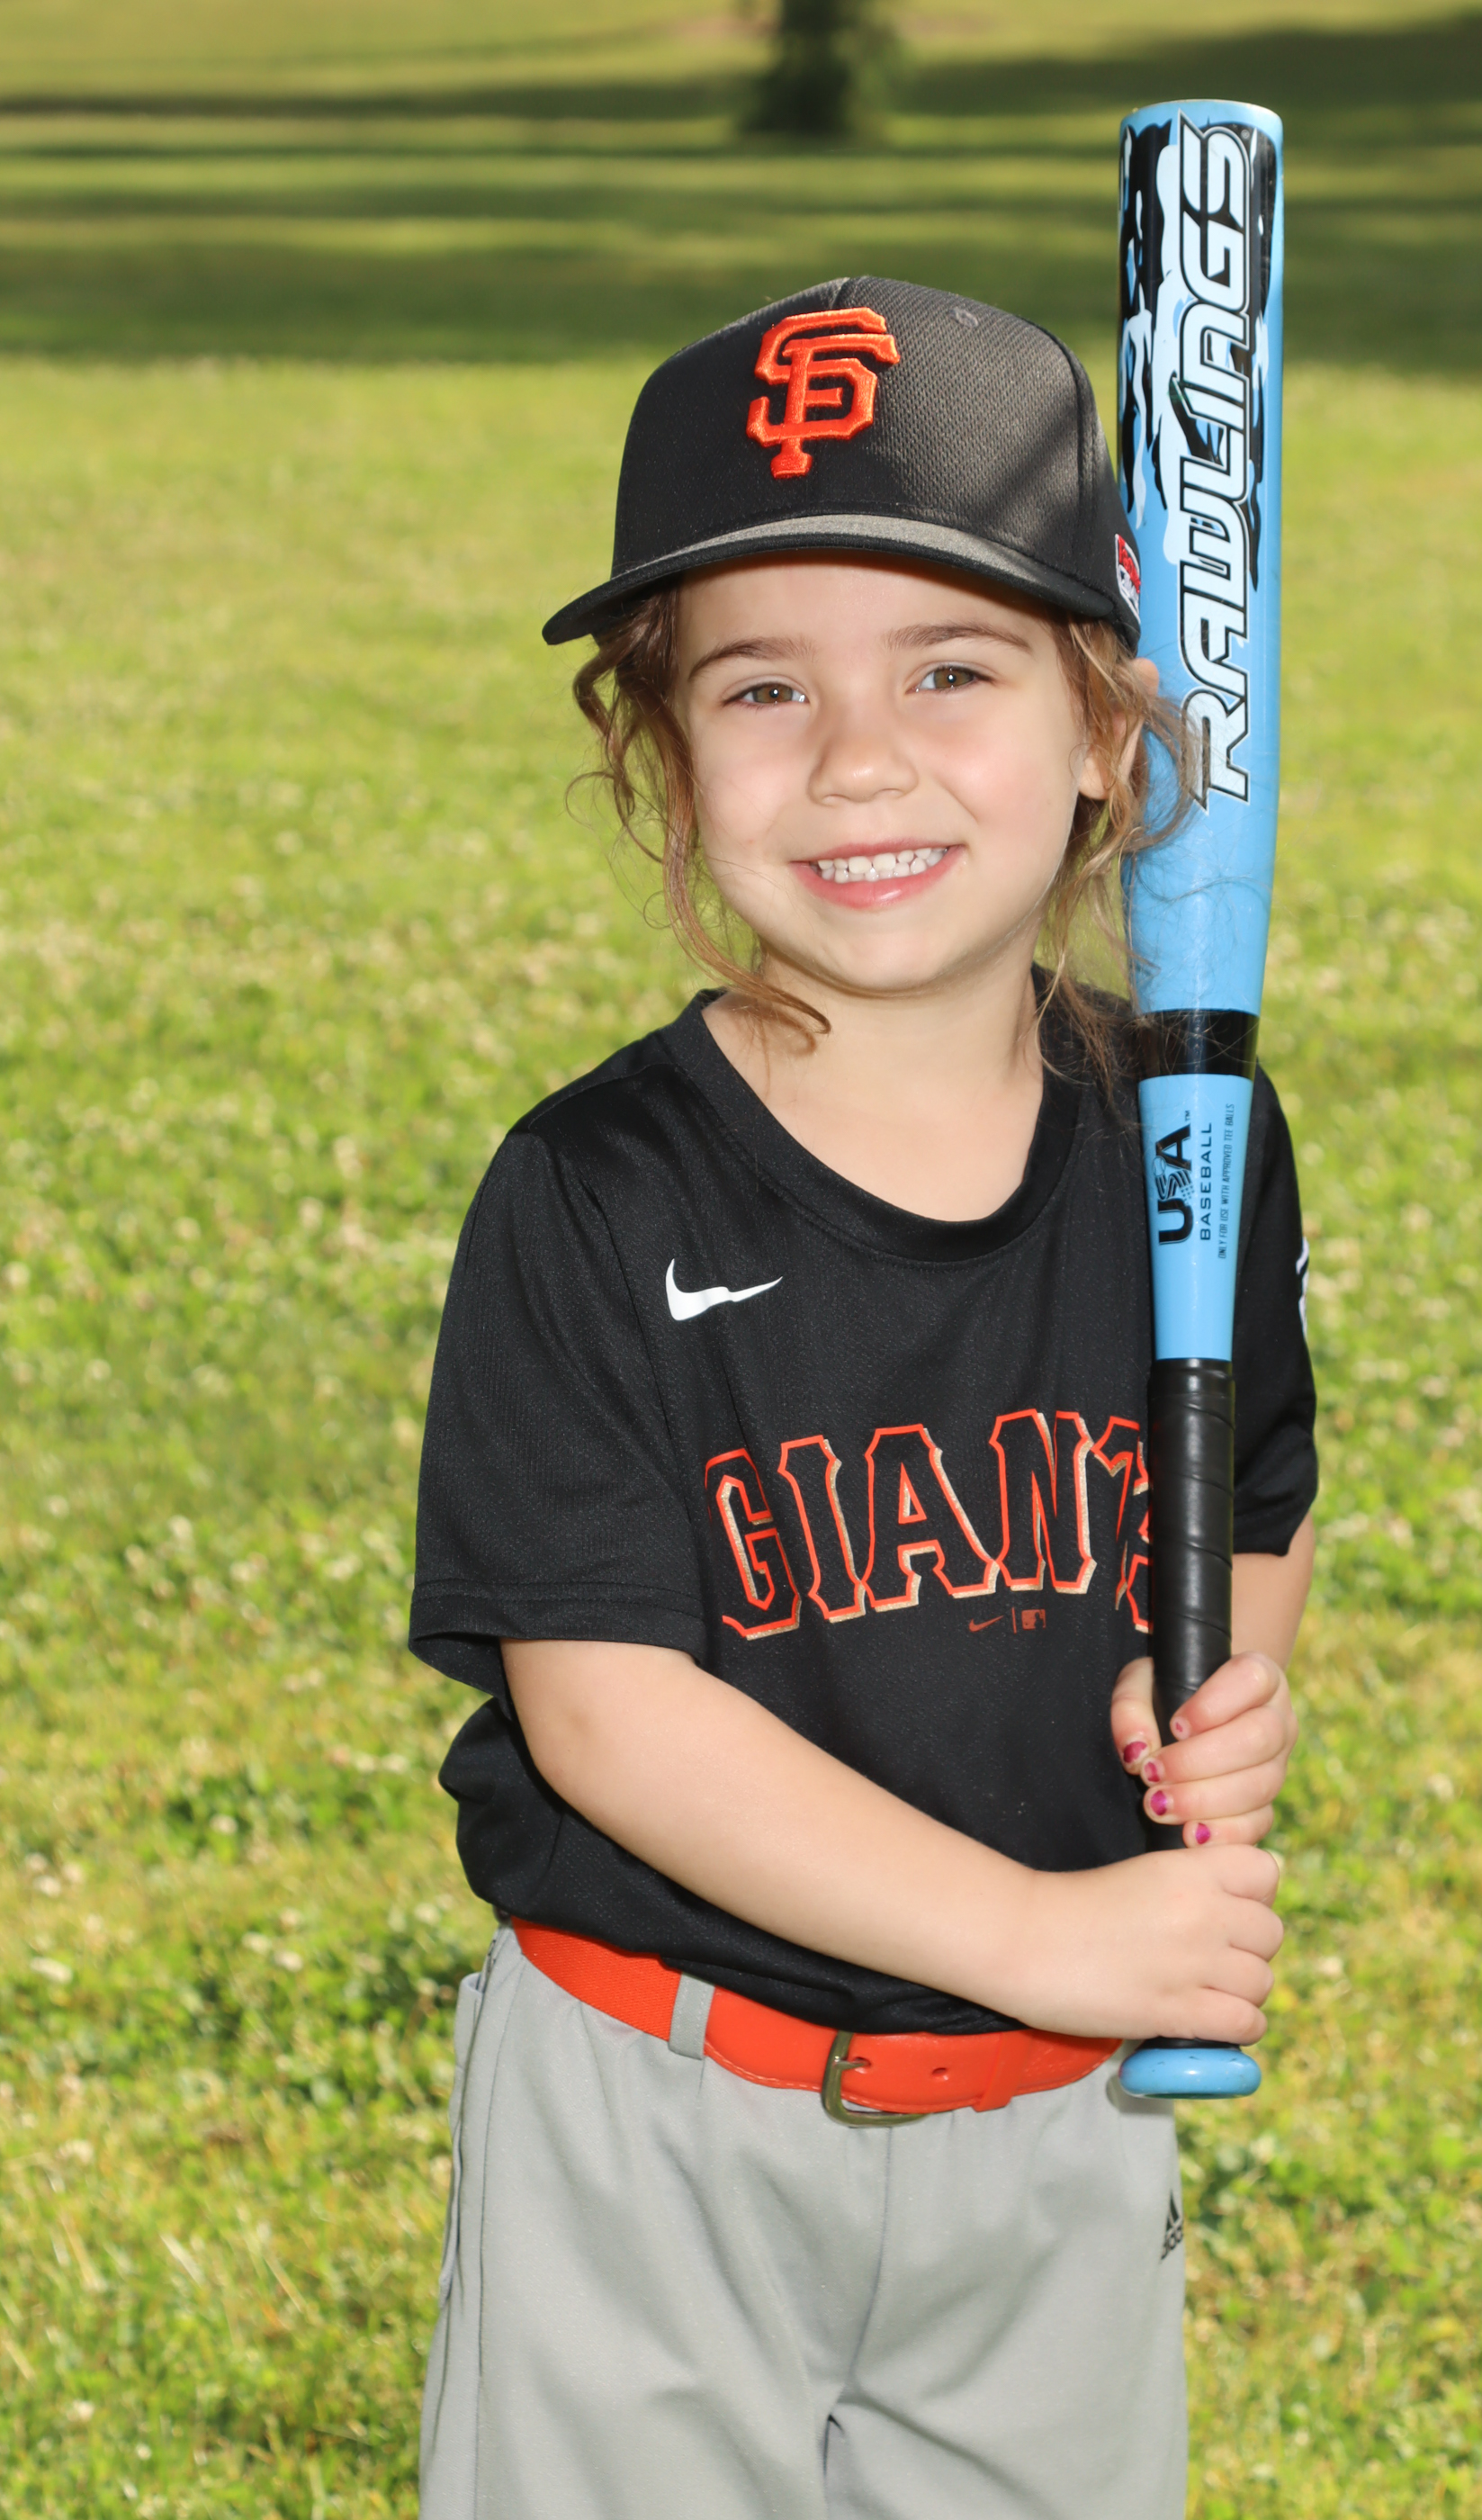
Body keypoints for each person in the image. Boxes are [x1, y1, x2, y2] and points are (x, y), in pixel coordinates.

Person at [409, 276, 1317, 2520]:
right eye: (761, 684)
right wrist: (1038, 1928)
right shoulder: (594, 1190)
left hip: (1056, 2113)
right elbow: (607, 1711)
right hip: (660, 2103)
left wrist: (1221, 1675)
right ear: (663, 754)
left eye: (949, 667)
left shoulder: (1190, 1132)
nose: (856, 757)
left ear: (1106, 725)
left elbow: (1249, 1486)